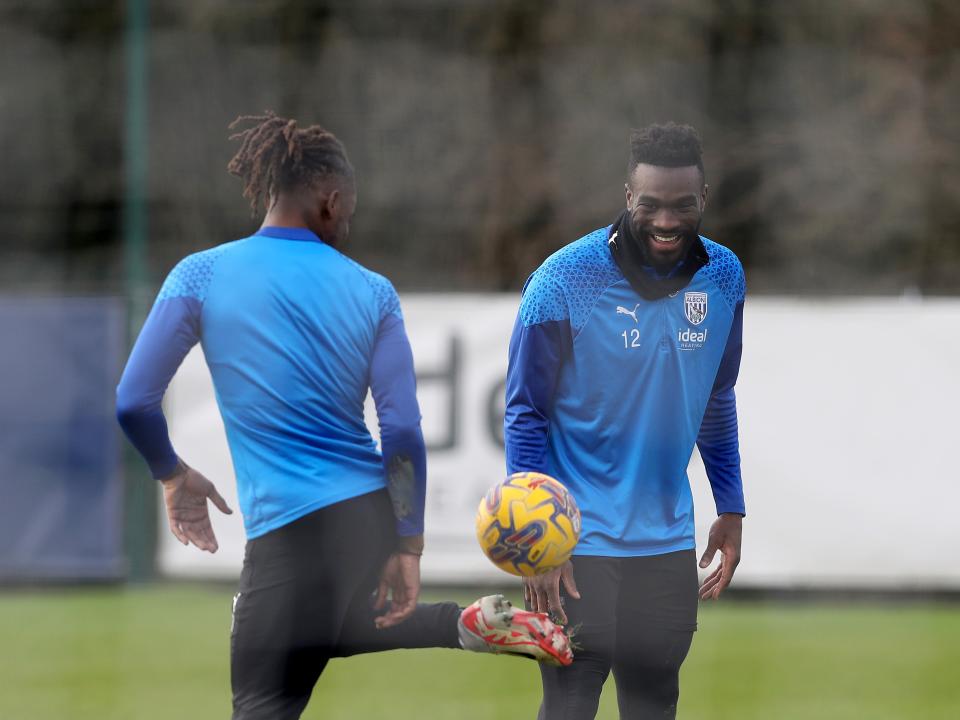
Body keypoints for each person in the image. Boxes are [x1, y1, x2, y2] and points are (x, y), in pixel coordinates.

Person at [116, 112, 571, 720]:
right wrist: (407, 543)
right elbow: (403, 430)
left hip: (290, 527)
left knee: (260, 702)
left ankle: (461, 625)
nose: (349, 223)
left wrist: (172, 475)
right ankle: (464, 624)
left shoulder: (200, 274)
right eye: (349, 211)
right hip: (366, 516)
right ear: (330, 201)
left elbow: (134, 401)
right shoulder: (373, 290)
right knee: (326, 626)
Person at [504, 122, 746, 719]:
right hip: (575, 546)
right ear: (628, 196)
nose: (667, 221)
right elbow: (524, 413)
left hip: (667, 547)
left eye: (683, 206)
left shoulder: (725, 277)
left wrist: (731, 506)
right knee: (569, 703)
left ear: (704, 200)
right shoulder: (563, 280)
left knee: (654, 706)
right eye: (652, 205)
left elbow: (717, 395)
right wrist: (539, 538)